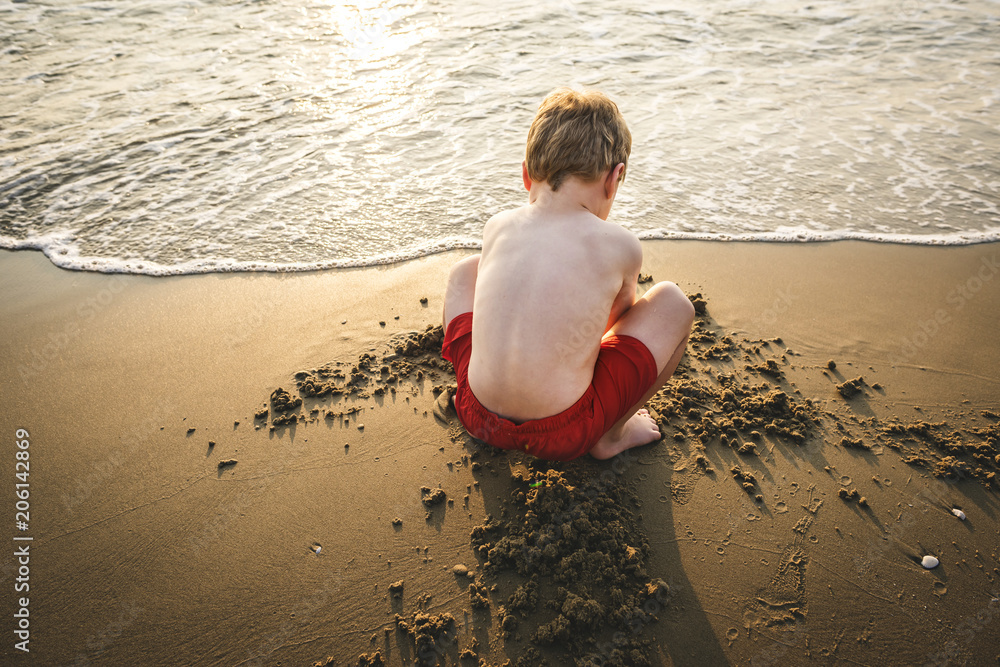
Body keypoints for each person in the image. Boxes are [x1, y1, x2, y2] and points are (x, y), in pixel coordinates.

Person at [441, 88, 695, 461]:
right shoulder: (620, 245)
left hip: (477, 413)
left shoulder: (498, 225)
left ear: (527, 175)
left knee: (465, 271)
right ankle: (611, 437)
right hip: (563, 431)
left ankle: (483, 391)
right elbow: (613, 328)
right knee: (674, 302)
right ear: (614, 178)